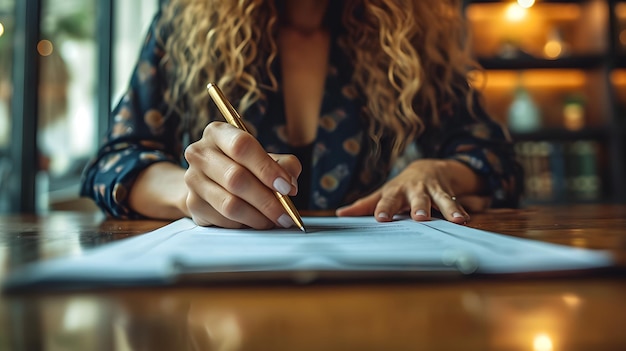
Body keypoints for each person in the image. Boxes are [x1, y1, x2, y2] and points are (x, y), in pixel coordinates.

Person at [81, 0, 523, 230]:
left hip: (373, 295)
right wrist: (191, 191)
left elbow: (496, 159)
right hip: (217, 295)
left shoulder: (412, 35)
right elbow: (113, 164)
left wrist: (437, 170)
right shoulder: (182, 23)